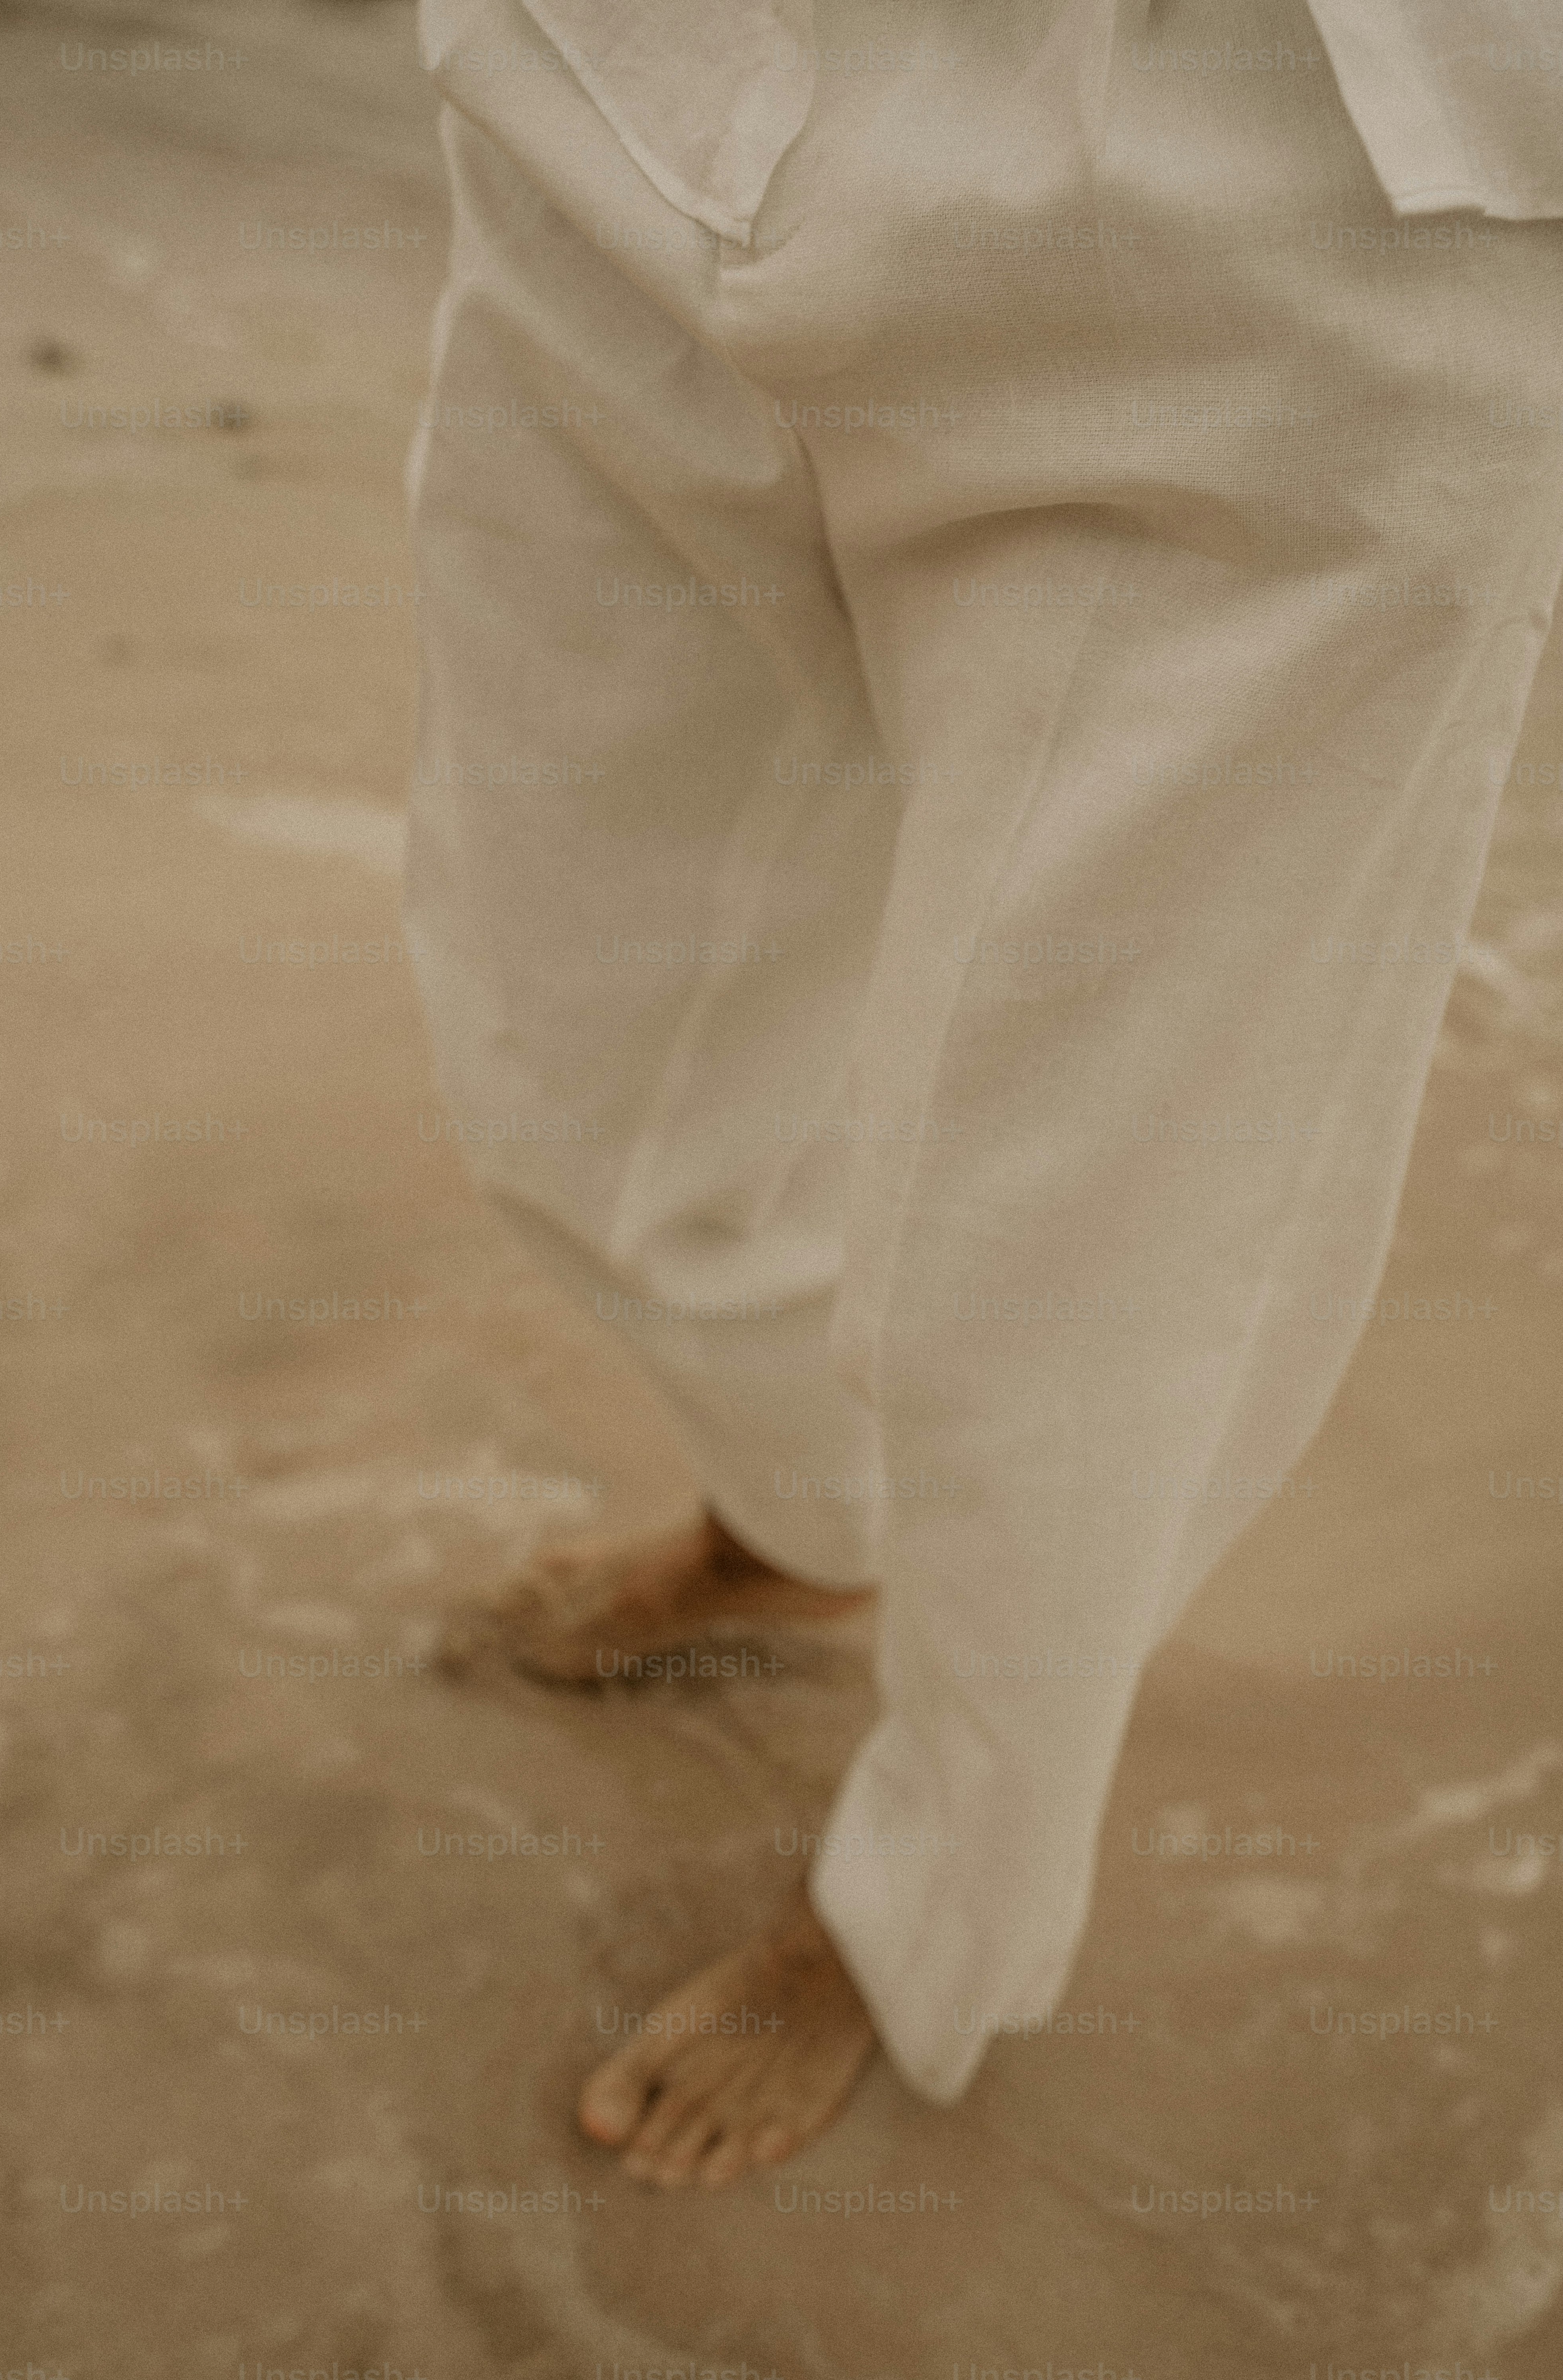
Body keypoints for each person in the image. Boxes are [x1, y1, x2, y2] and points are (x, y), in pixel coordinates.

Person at [404, 0, 1563, 2189]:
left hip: (1318, 179)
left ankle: (917, 1909)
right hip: (636, 79)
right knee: (581, 1017)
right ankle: (792, 1522)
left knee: (1085, 1229)